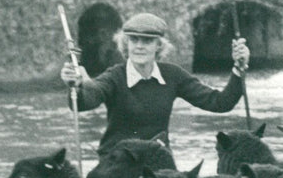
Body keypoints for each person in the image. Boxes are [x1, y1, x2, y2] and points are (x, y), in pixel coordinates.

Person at [60, 12, 251, 154]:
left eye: (147, 41)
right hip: (117, 162)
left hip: (157, 160)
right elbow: (87, 100)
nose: (139, 46)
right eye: (134, 40)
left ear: (158, 46)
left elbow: (220, 103)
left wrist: (239, 68)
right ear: (126, 44)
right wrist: (78, 85)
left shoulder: (173, 75)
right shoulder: (114, 76)